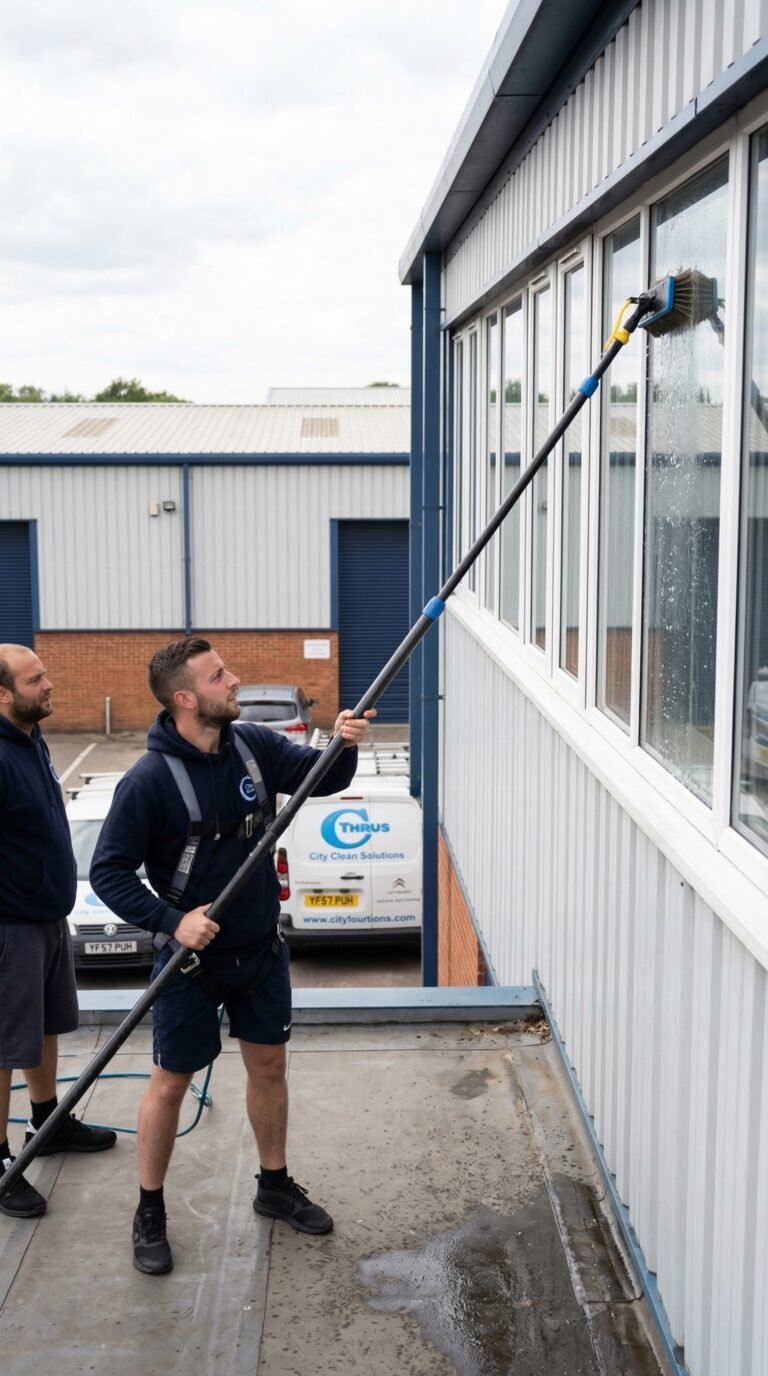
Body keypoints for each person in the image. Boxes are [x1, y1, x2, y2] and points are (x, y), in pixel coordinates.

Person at [90, 637, 374, 1276]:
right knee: (170, 1083)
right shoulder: (149, 781)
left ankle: (273, 1186)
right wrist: (171, 921)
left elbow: (320, 778)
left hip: (259, 949)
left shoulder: (253, 746)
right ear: (186, 698)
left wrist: (344, 742)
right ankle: (150, 1209)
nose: (235, 680)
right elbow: (108, 871)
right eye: (220, 676)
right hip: (190, 963)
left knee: (269, 1066)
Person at [0, 645, 117, 1221]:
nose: (49, 683)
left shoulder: (30, 738)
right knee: (3, 1045)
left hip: (45, 915)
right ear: (2, 693)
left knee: (43, 1024)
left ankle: (46, 1123)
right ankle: (1, 1166)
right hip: (8, 926)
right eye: (35, 678)